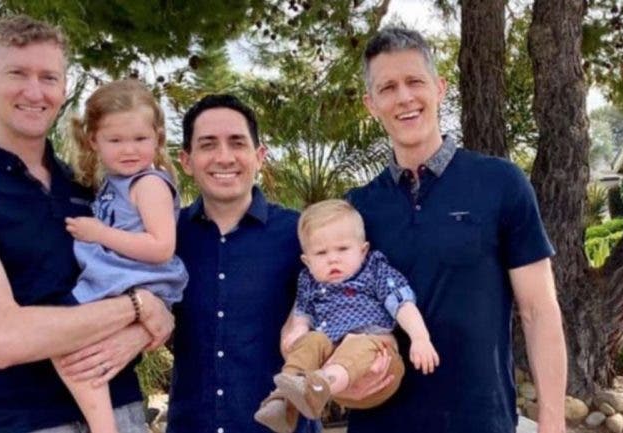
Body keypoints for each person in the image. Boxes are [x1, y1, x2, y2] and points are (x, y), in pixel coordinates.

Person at [0, 15, 173, 433]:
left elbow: (157, 290)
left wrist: (147, 325)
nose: (35, 92)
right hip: (25, 423)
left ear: (63, 88)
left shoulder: (90, 187)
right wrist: (137, 307)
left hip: (123, 413)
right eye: (18, 73)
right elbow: (4, 338)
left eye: (48, 77)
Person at [344, 26, 567, 433]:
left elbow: (539, 310)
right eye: (388, 88)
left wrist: (552, 418)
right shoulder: (356, 208)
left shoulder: (501, 183)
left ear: (440, 88)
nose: (404, 97)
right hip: (380, 423)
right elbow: (336, 308)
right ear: (371, 104)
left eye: (415, 81)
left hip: (480, 421)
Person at [166, 94, 319, 433]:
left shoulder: (300, 234)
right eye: (208, 144)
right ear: (186, 160)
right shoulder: (166, 237)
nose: (224, 157)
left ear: (259, 156)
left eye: (237, 143)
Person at [53, 79, 188, 433]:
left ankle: (103, 427)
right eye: (115, 140)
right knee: (76, 348)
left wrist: (99, 233)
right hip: (119, 277)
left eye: (140, 139)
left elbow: (162, 247)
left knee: (61, 336)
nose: (129, 150)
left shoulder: (149, 184)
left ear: (158, 138)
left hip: (137, 278)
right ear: (93, 141)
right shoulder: (112, 183)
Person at [255, 199, 438, 433]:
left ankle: (322, 384)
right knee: (312, 340)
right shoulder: (309, 282)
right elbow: (301, 314)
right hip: (333, 356)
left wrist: (420, 338)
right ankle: (282, 401)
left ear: (363, 250)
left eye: (342, 249)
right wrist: (298, 332)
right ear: (307, 261)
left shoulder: (374, 270)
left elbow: (402, 304)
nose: (333, 258)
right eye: (321, 253)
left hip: (377, 356)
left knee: (360, 344)